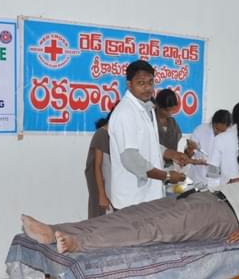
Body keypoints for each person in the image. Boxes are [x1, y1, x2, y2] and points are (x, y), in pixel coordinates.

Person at [21, 181, 239, 253]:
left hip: (221, 215)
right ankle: (53, 230)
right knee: (130, 214)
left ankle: (78, 243)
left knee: (149, 228)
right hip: (203, 197)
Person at [108, 60, 187, 211]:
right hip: (132, 200)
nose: (147, 88)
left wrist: (171, 154)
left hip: (148, 198)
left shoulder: (148, 108)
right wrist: (167, 176)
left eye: (150, 82)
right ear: (129, 84)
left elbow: (148, 144)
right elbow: (131, 159)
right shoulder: (126, 112)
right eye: (141, 83)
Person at [187, 109, 232, 186]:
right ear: (213, 123)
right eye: (216, 129)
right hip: (198, 178)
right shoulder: (200, 130)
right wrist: (190, 148)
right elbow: (188, 155)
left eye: (222, 131)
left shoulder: (230, 136)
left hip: (218, 181)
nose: (218, 133)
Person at [154, 88, 196, 166]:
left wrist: (189, 149)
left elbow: (180, 155)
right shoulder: (149, 120)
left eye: (173, 110)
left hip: (170, 168)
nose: (170, 113)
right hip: (152, 167)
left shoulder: (172, 122)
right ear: (157, 105)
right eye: (167, 110)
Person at [84, 112, 112, 218]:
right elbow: (97, 167)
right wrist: (102, 195)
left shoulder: (115, 135)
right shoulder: (101, 134)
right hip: (104, 190)